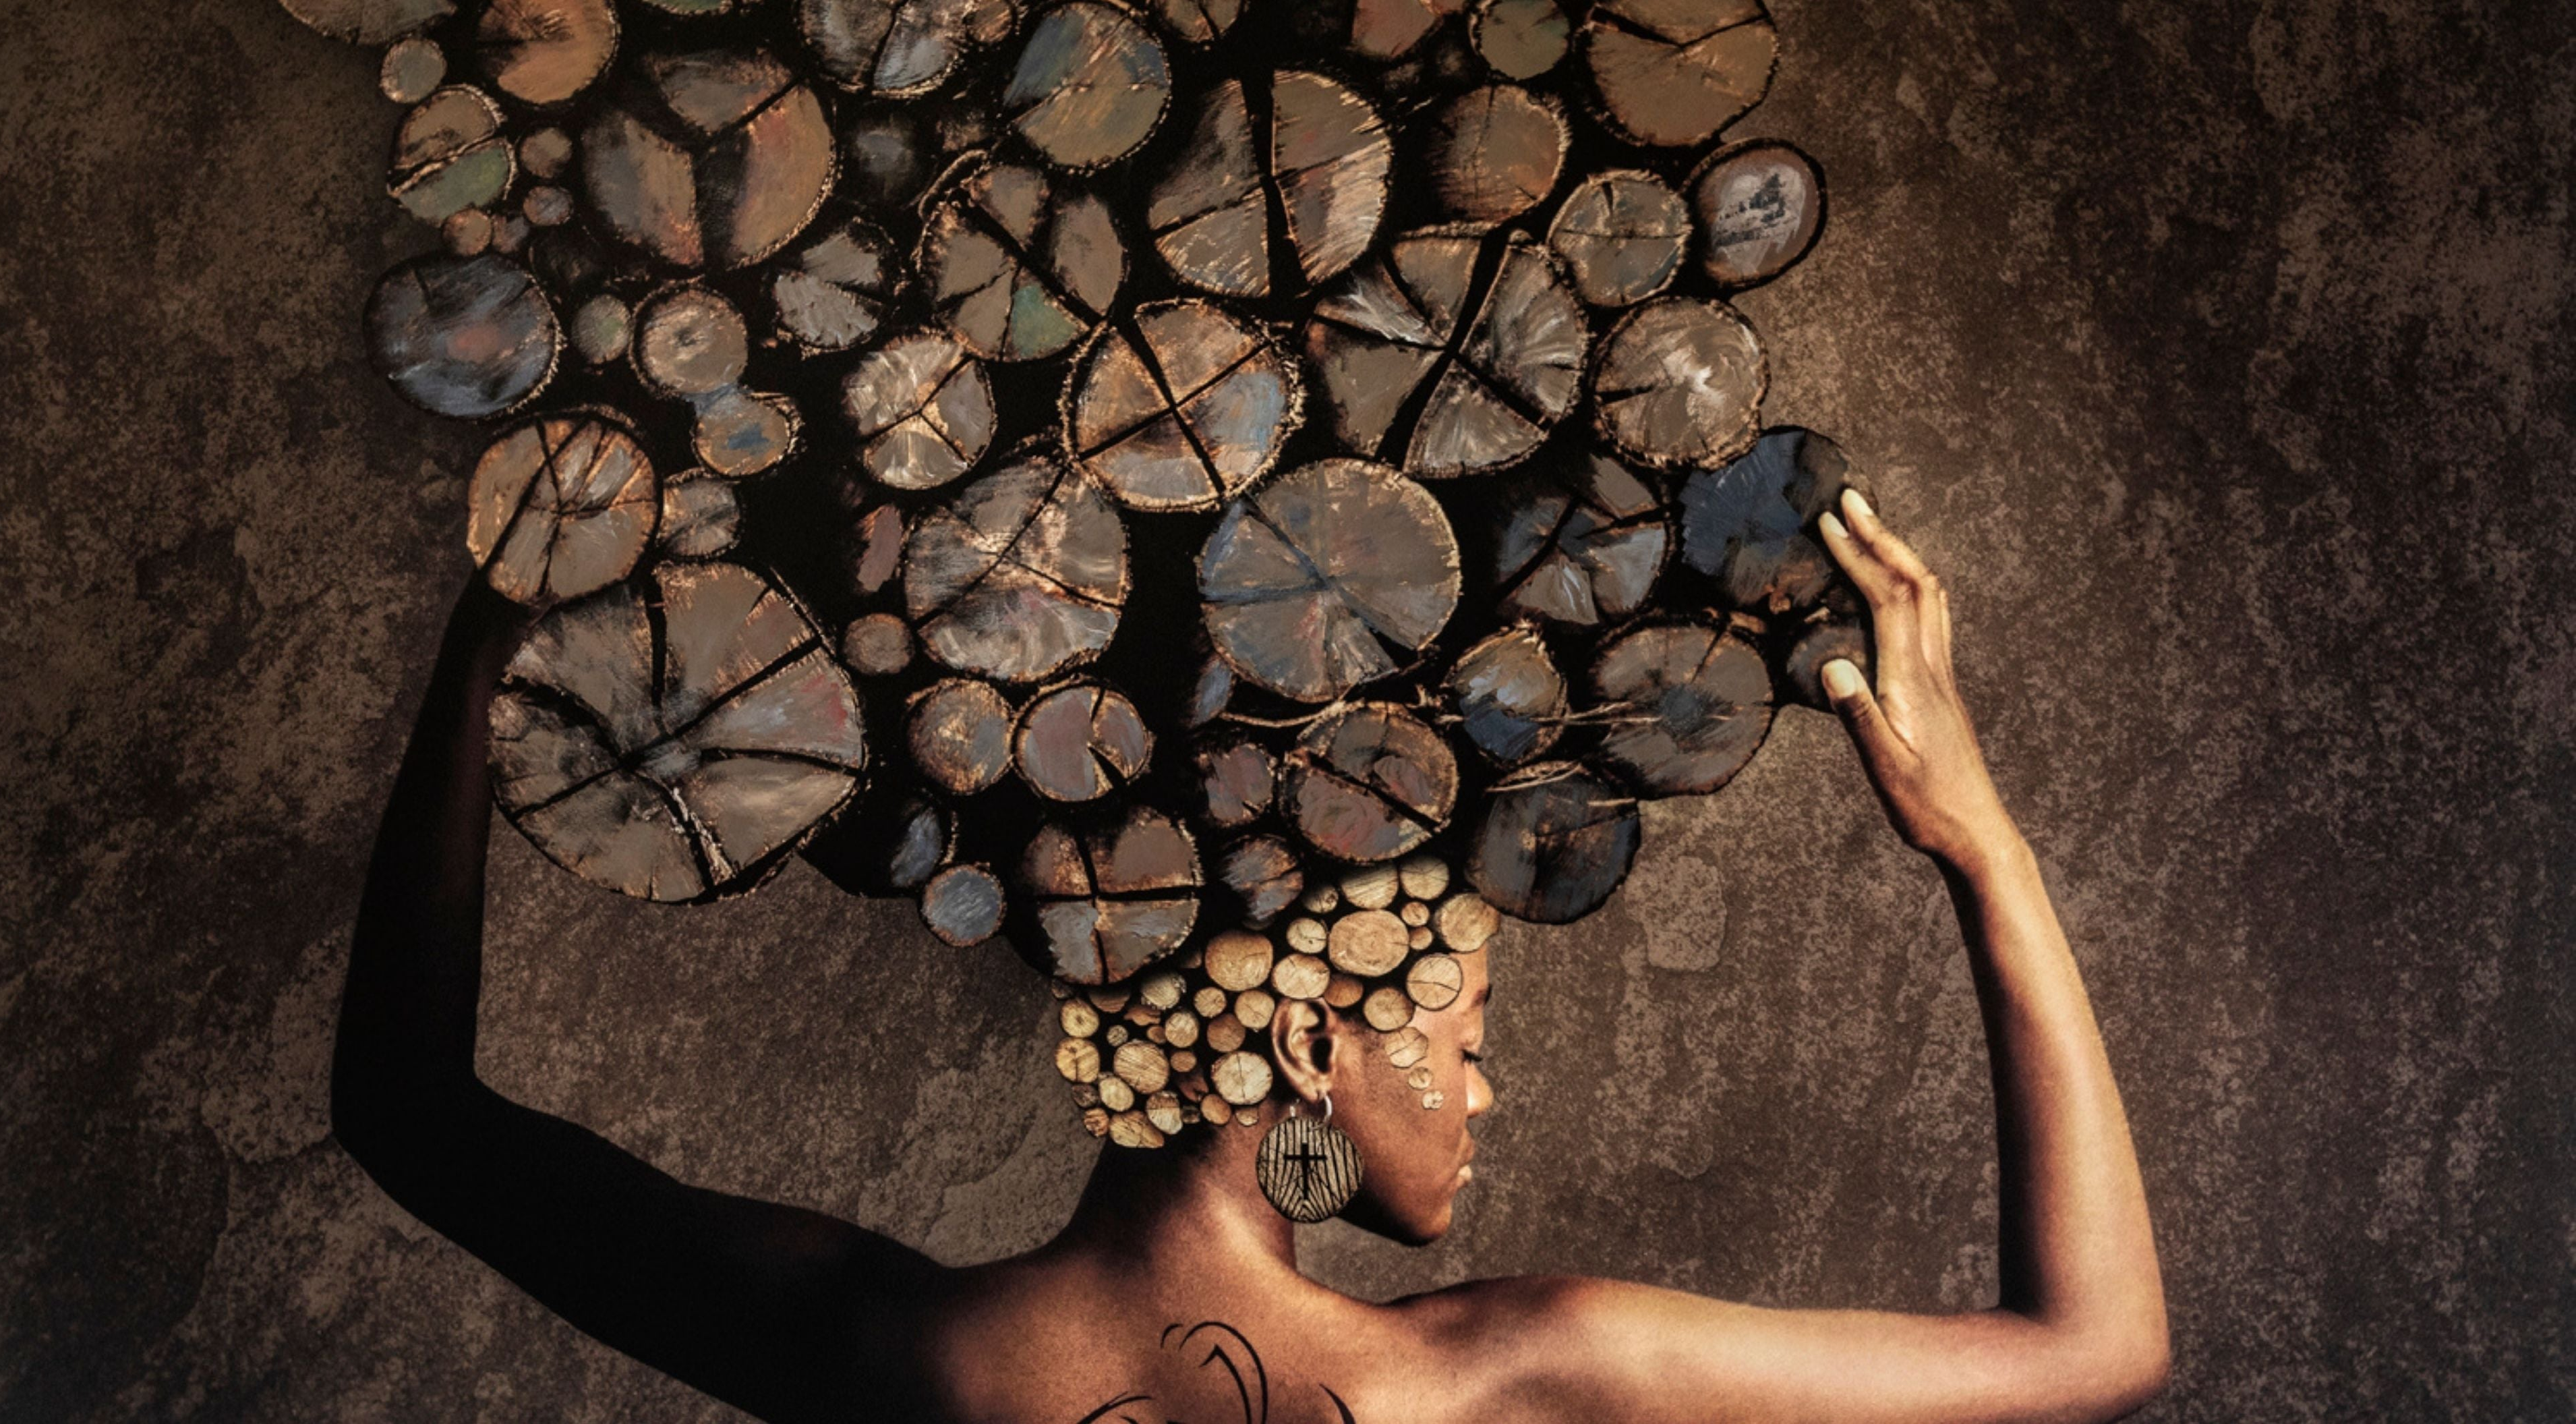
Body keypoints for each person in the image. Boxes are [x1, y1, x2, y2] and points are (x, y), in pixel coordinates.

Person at [332, 487, 2169, 1422]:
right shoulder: (1503, 1382)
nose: (1484, 1084)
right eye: (1458, 1027)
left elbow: (406, 1113)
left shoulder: (901, 1358)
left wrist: (488, 645)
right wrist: (1978, 847)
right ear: (1301, 1044)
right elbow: (2096, 1350)